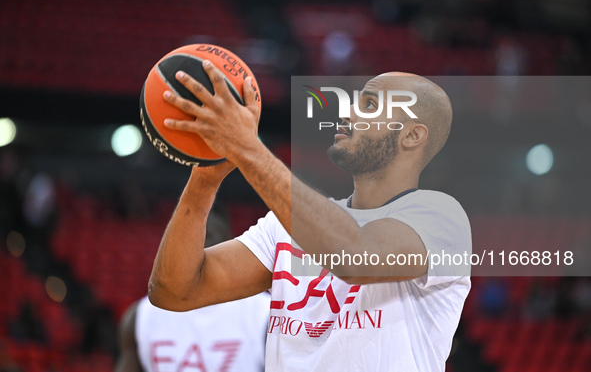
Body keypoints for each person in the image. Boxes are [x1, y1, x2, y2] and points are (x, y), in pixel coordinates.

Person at [148, 62, 472, 371]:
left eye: (369, 105)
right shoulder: (285, 226)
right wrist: (206, 176)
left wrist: (246, 147)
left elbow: (356, 258)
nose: (346, 112)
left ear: (412, 136)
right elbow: (174, 291)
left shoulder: (441, 219)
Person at [115, 206, 269, 372]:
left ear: (230, 241)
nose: (195, 248)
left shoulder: (265, 314)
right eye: (187, 238)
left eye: (206, 236)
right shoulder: (140, 317)